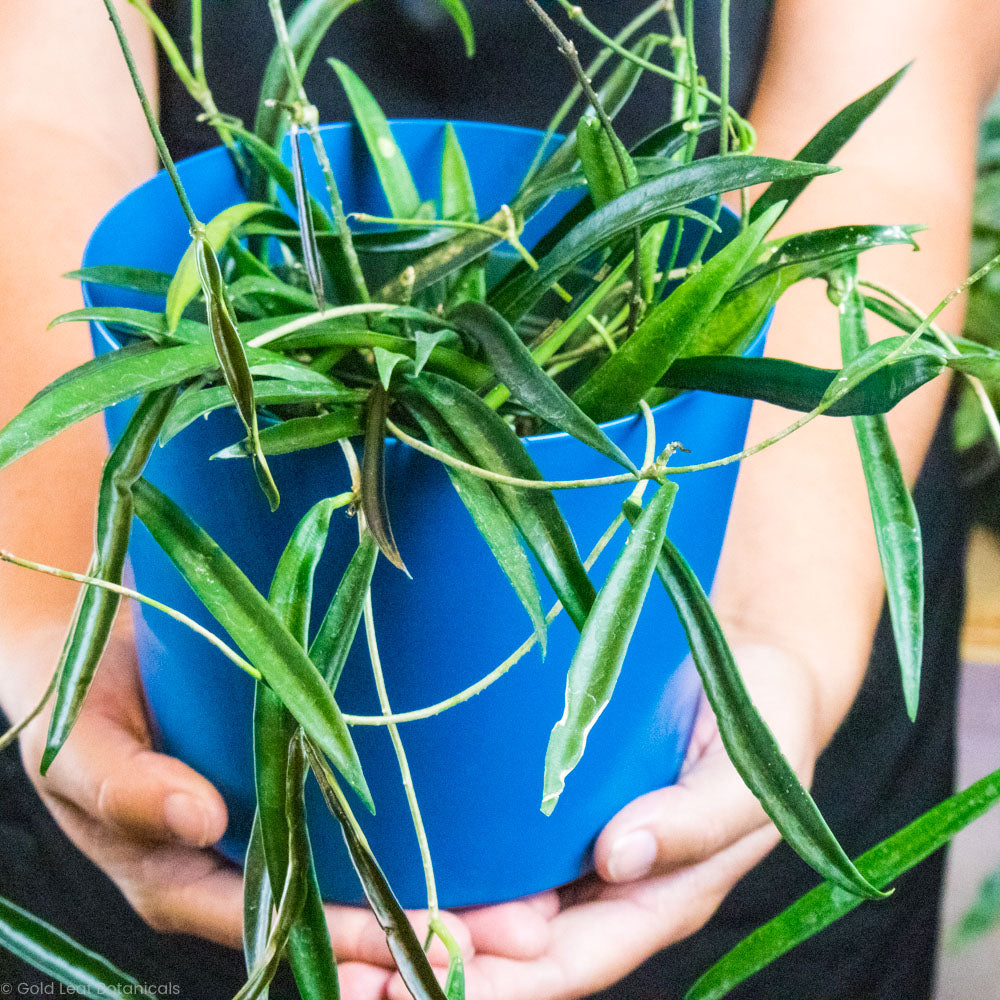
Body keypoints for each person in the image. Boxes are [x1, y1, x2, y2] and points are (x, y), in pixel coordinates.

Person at [1, 1, 998, 997]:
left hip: (746, 579)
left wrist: (766, 630)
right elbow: (39, 97)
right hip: (175, 599)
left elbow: (882, 113)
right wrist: (69, 608)